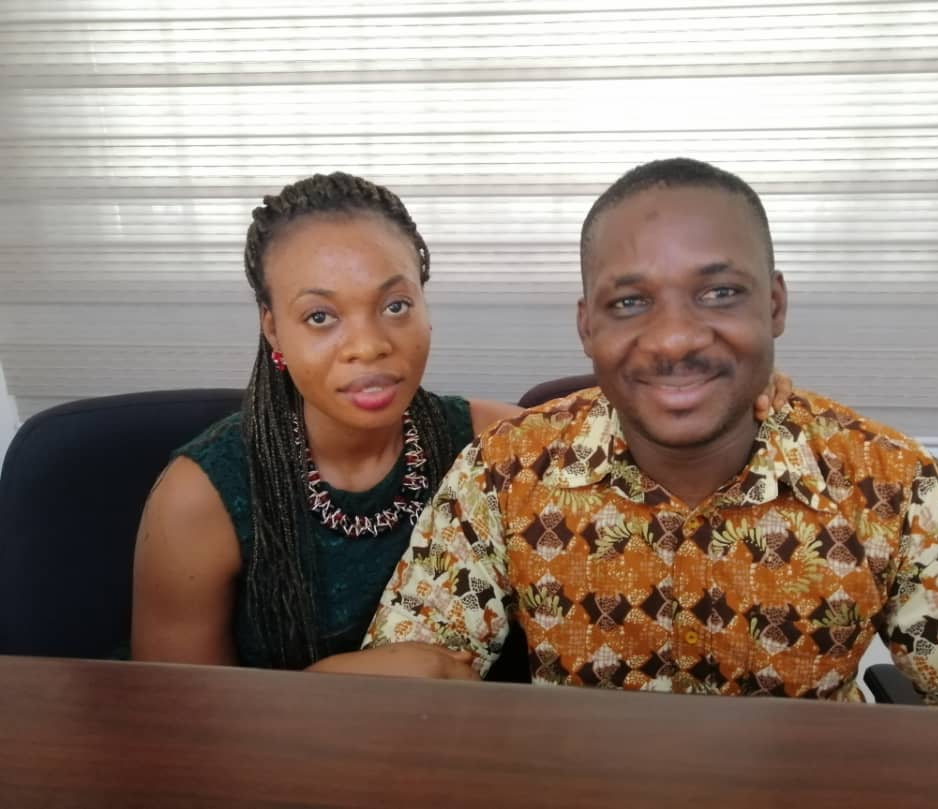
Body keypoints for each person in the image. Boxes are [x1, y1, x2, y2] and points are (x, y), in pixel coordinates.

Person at [363, 158, 938, 712]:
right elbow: (409, 676)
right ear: (586, 326)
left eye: (719, 293)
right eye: (630, 302)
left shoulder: (895, 488)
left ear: (775, 303)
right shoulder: (503, 472)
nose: (674, 338)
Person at [130, 169, 794, 675]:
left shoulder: (495, 448)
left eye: (395, 305)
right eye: (321, 317)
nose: (368, 345)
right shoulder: (203, 498)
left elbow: (651, 423)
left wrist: (739, 389)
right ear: (273, 327)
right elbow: (181, 723)